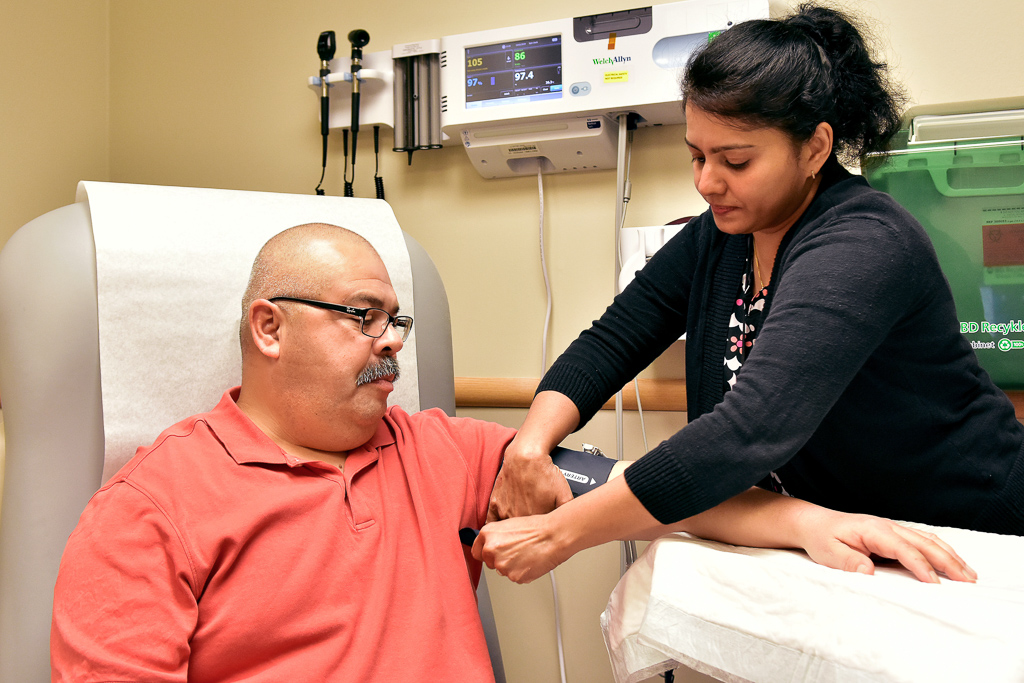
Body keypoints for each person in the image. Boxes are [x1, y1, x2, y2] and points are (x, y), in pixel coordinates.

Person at [50, 224, 972, 682]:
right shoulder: (150, 508)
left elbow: (641, 489)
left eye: (395, 319)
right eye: (360, 318)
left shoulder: (440, 451)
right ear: (268, 326)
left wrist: (809, 522)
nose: (392, 343)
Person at [477, 4, 1024, 584]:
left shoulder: (863, 243)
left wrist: (560, 534)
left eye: (735, 160)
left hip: (972, 531)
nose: (707, 181)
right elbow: (615, 339)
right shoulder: (720, 232)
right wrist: (530, 447)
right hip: (854, 541)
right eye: (696, 155)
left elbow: (748, 431)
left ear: (815, 148)